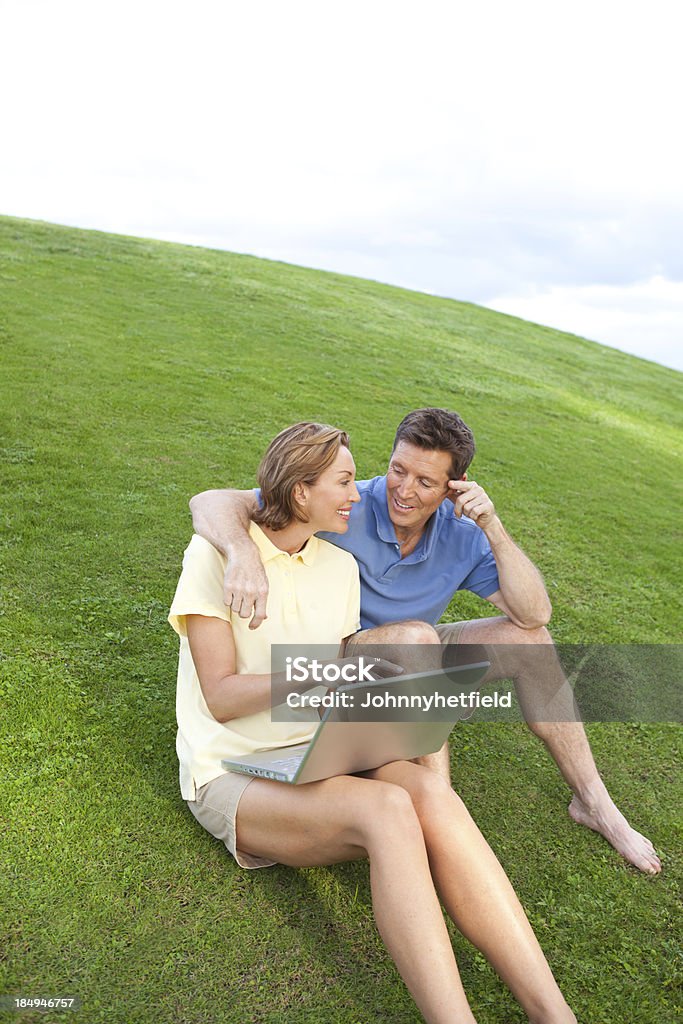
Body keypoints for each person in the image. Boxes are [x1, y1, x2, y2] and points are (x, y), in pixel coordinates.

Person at [171, 421, 576, 1024]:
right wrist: (320, 677)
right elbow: (224, 697)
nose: (360, 495)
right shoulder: (217, 557)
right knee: (387, 810)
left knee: (431, 794)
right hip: (230, 773)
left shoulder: (336, 566)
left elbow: (343, 666)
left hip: (312, 755)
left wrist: (404, 699)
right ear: (301, 491)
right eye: (343, 482)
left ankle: (554, 1015)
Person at [190, 408, 661, 875]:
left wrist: (492, 527)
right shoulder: (345, 503)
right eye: (399, 469)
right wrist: (241, 551)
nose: (404, 489)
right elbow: (210, 501)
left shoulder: (460, 534)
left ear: (454, 486)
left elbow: (534, 613)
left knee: (530, 641)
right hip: (343, 654)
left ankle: (594, 802)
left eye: (425, 481)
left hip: (415, 651)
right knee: (417, 638)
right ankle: (443, 816)